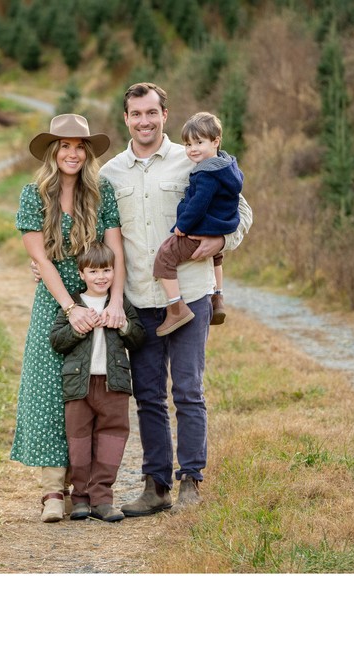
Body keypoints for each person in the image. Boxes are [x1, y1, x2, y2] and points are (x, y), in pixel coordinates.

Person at [100, 82, 252, 515]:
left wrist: (222, 237)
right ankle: (155, 485)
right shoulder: (111, 173)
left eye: (152, 112)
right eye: (136, 114)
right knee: (147, 395)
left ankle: (191, 482)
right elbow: (95, 235)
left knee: (187, 389)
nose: (144, 121)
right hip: (140, 300)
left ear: (165, 114)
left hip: (192, 293)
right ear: (126, 118)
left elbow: (242, 211)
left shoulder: (193, 160)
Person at [11, 114, 127, 524]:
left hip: (97, 302)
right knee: (47, 391)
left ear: (88, 153)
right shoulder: (33, 194)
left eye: (80, 146)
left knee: (87, 394)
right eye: (65, 145)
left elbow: (115, 250)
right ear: (52, 151)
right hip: (56, 303)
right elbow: (39, 257)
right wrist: (69, 307)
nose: (73, 153)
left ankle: (90, 489)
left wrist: (114, 304)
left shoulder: (102, 192)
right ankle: (51, 491)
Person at [49, 242, 146, 523]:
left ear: (115, 272)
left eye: (107, 270)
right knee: (78, 442)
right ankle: (79, 498)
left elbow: (138, 336)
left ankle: (102, 498)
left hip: (113, 385)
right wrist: (79, 328)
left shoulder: (119, 304)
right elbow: (57, 341)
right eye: (93, 271)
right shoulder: (73, 306)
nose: (101, 276)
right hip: (79, 387)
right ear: (82, 274)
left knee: (112, 439)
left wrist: (122, 325)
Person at [154, 111, 244, 336]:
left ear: (215, 141)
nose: (192, 149)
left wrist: (182, 226)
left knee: (165, 256)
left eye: (199, 142)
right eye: (187, 144)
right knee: (217, 256)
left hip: (200, 230)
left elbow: (198, 204)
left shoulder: (205, 173)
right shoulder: (226, 166)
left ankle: (176, 308)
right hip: (220, 225)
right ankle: (218, 297)